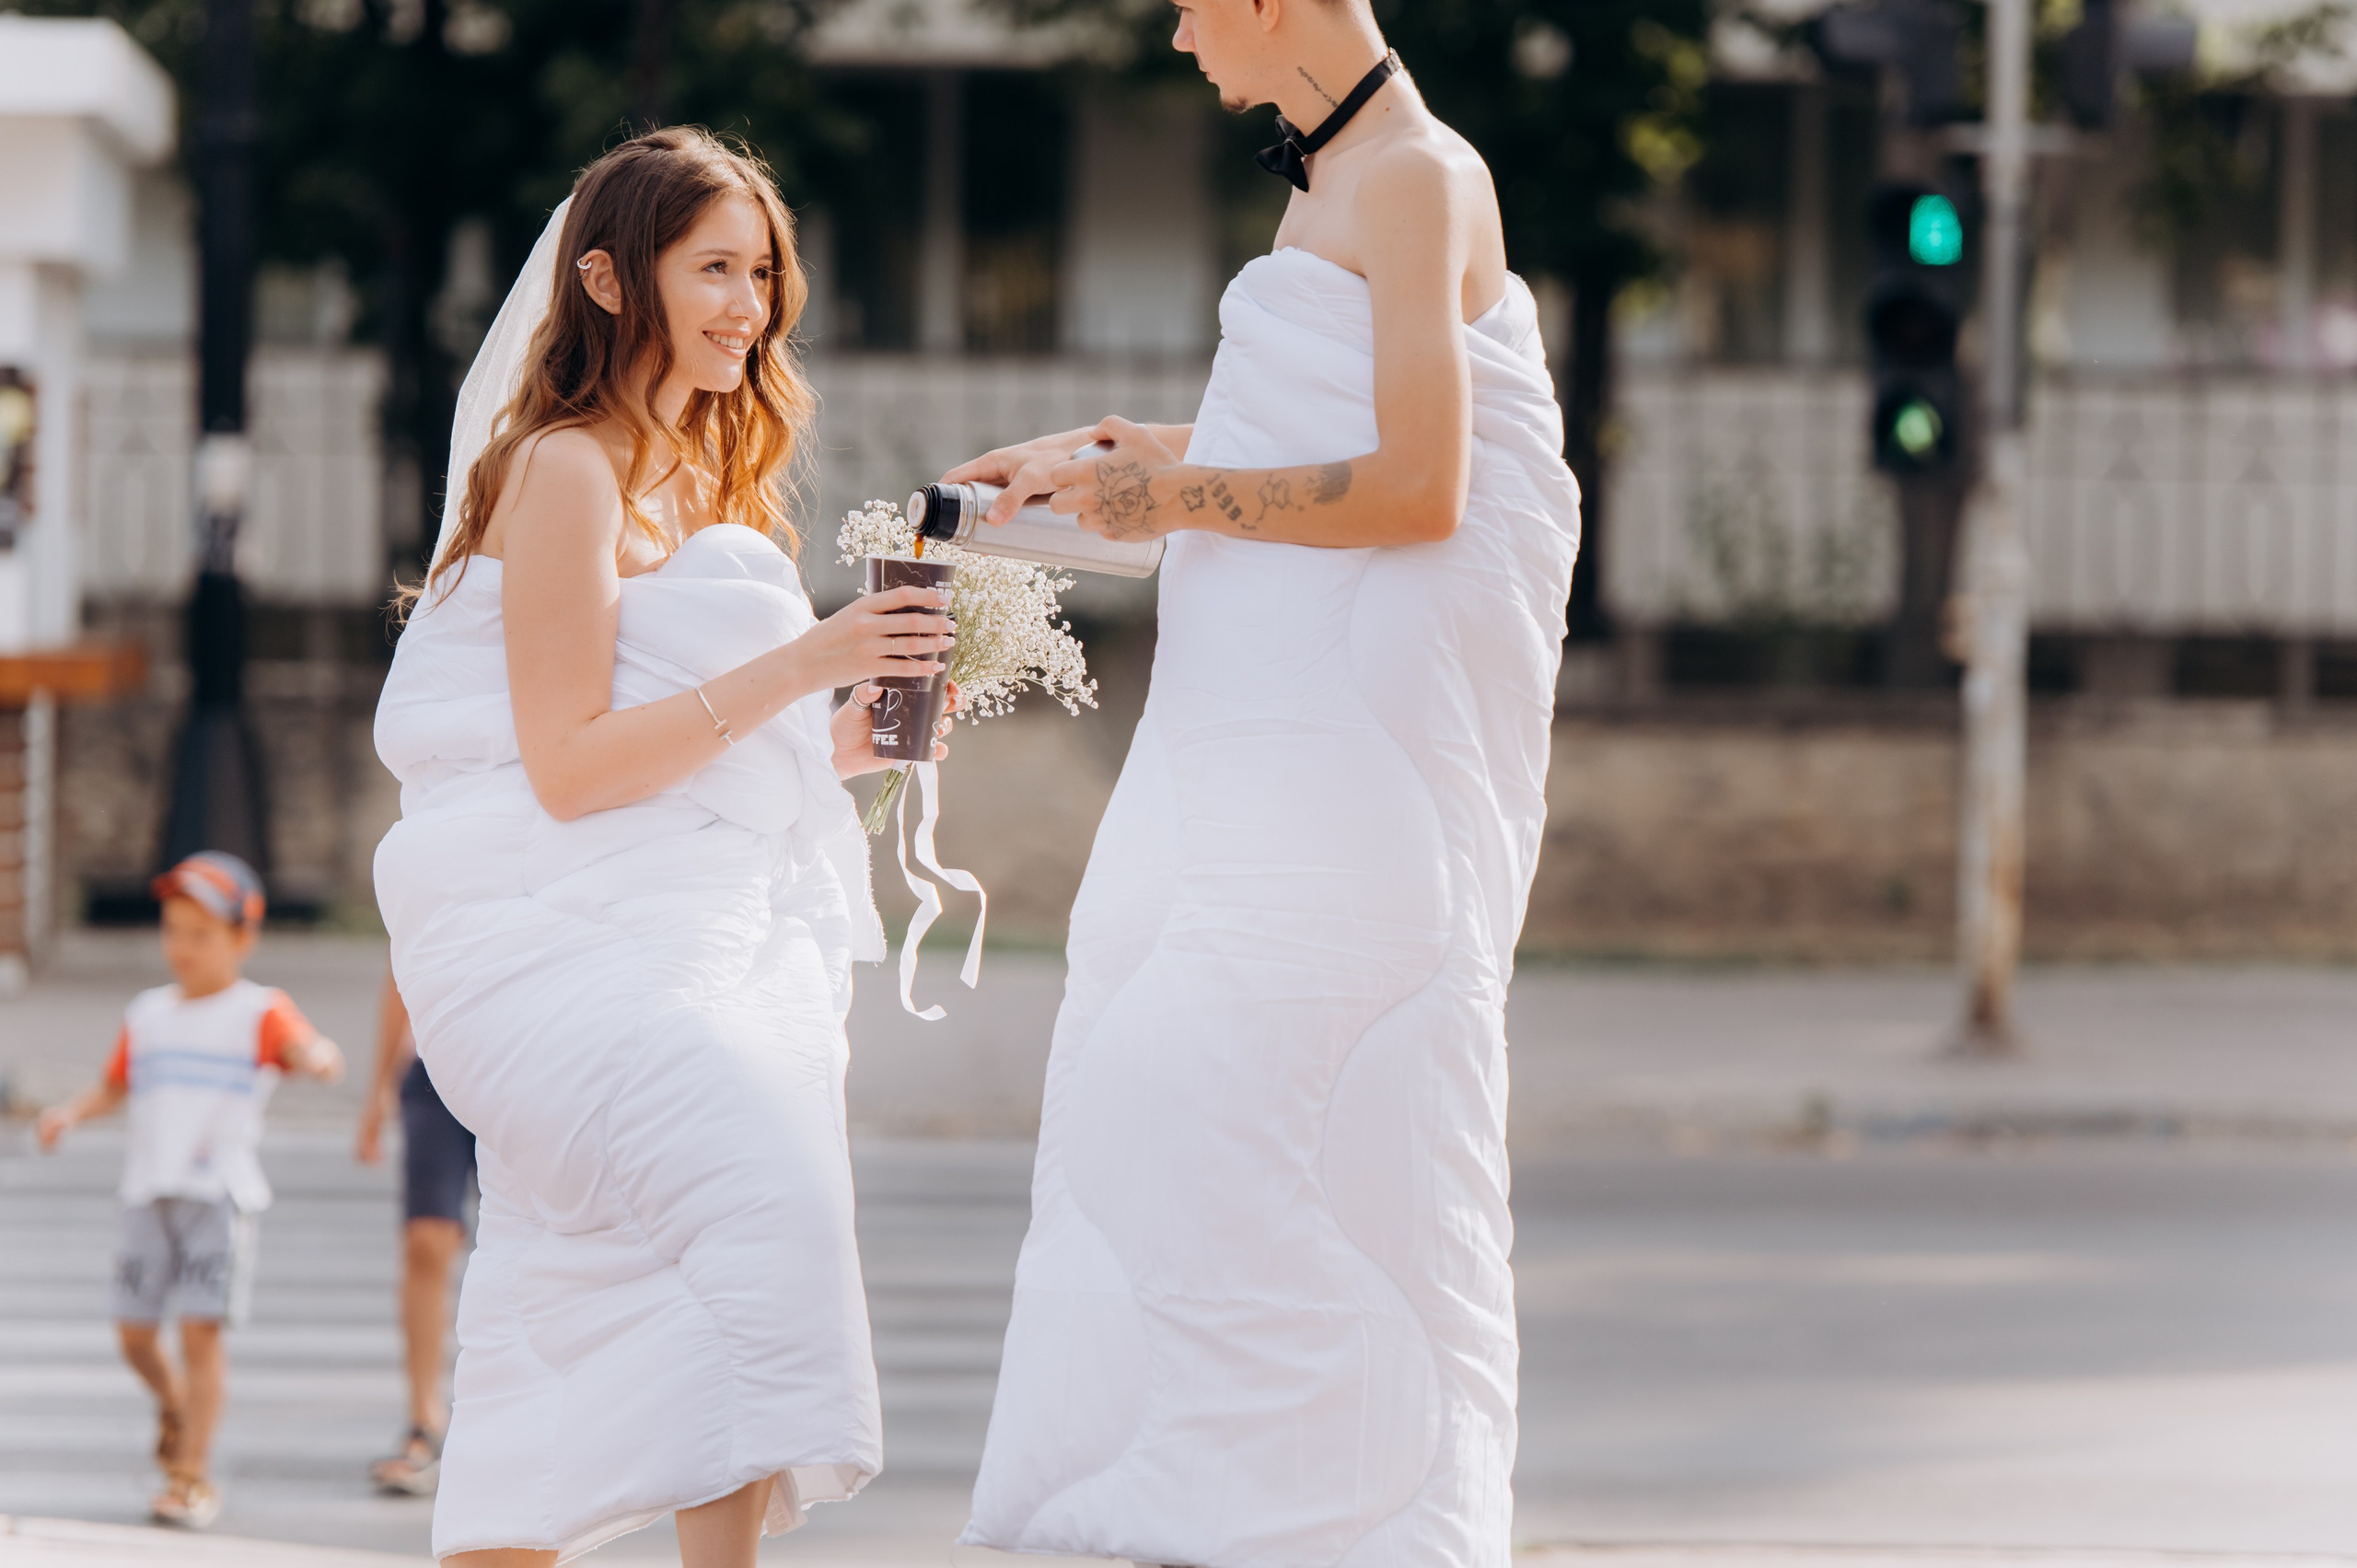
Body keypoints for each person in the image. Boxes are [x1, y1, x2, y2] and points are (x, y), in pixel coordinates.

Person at [948, 3, 1582, 1564]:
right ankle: (1218, 1494)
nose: (1175, 29)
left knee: (1296, 1115)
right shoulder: (1329, 177)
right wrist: (1102, 464)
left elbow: (1421, 485)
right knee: (1169, 1101)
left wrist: (1161, 487)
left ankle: (1349, 1513)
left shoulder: (1421, 175)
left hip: (1353, 768)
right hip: (1274, 739)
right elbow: (1298, 439)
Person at [371, 126, 960, 1567]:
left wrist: (861, 735)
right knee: (772, 1216)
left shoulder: (711, 481)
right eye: (713, 268)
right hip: (575, 942)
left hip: (706, 925)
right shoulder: (563, 472)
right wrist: (812, 653)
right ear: (608, 278)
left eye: (762, 272)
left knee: (566, 1294)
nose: (748, 305)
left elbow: (713, 761)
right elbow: (570, 768)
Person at [37, 852, 347, 1531]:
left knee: (200, 1332)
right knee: (134, 1331)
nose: (182, 946)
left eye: (201, 933)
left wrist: (317, 1055)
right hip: (148, 1193)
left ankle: (192, 1473)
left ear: (244, 937)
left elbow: (300, 1044)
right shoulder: (147, 1013)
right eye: (173, 929)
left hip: (218, 1195)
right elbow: (116, 1083)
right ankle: (172, 1400)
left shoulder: (258, 1009)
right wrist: (69, 1113)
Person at [354, 970, 474, 1495]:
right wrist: (377, 1090)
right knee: (426, 1241)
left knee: (533, 1245)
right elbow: (400, 969)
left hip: (527, 1066)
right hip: (433, 1069)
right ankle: (424, 1423)